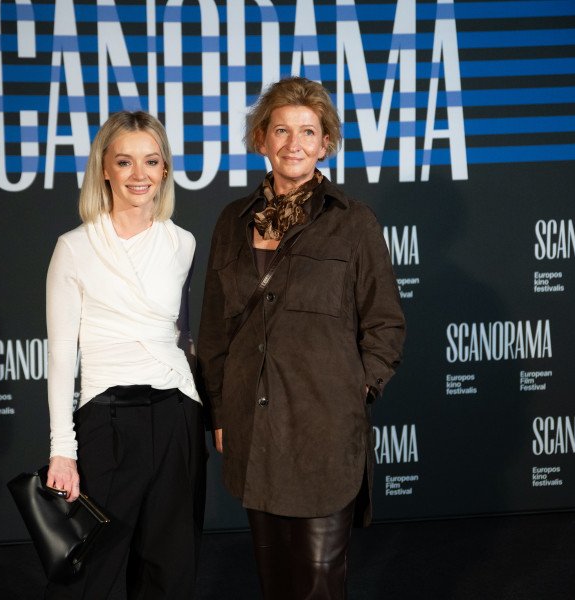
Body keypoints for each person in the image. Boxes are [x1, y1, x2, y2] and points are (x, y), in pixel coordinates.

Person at [197, 76, 406, 599]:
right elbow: (215, 329)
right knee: (276, 583)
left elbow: (385, 322)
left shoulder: (353, 223)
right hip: (254, 428)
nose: (294, 144)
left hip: (324, 434)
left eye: (308, 132)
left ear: (325, 143)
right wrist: (219, 411)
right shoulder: (231, 222)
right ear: (262, 139)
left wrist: (357, 389)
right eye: (281, 130)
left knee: (318, 584)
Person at [44, 111, 205, 599]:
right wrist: (62, 449)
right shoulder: (74, 248)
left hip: (176, 413)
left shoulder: (182, 243)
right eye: (125, 161)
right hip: (106, 419)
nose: (140, 174)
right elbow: (61, 357)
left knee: (170, 569)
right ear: (105, 169)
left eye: (151, 161)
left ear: (165, 169)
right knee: (95, 571)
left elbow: (178, 335)